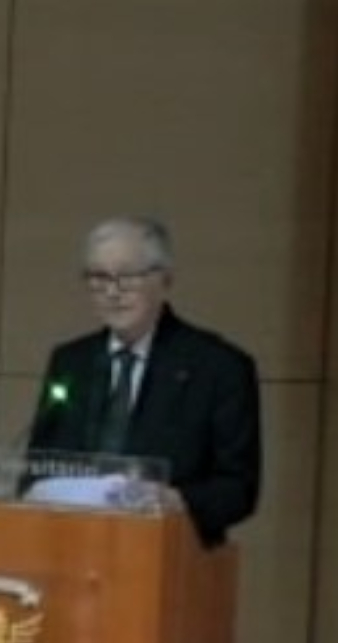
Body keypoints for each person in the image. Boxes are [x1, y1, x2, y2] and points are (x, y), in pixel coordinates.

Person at [24, 216, 261, 546]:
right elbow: (38, 467)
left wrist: (174, 500)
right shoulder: (71, 362)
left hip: (166, 551)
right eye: (99, 277)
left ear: (164, 279)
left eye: (127, 277)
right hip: (72, 547)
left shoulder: (219, 367)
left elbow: (238, 489)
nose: (113, 292)